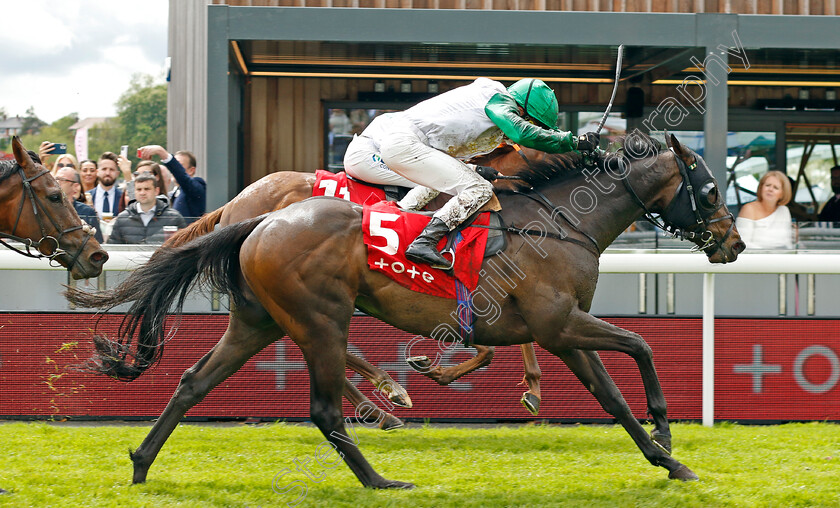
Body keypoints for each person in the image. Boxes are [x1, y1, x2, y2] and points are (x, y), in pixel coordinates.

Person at [342, 77, 599, 267]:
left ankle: (403, 215)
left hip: (403, 143)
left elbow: (533, 135)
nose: (531, 126)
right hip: (401, 144)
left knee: (446, 183)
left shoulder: (489, 101)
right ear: (522, 110)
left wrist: (582, 148)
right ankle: (425, 242)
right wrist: (574, 142)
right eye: (532, 121)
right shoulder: (498, 99)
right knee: (479, 189)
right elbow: (522, 132)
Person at [107, 173, 186, 244]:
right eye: (139, 189)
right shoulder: (122, 218)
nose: (142, 193)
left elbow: (185, 247)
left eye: (147, 189)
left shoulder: (174, 218)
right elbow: (114, 248)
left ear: (156, 191)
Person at [138, 145, 206, 222]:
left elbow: (184, 179)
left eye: (178, 165)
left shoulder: (197, 185)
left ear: (191, 170)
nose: (173, 169)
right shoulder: (172, 194)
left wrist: (162, 153)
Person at [735, 170, 794, 249]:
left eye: (775, 187)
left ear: (782, 194)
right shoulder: (749, 209)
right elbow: (741, 244)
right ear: (761, 187)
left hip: (781, 258)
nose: (770, 189)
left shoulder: (784, 210)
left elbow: (787, 242)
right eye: (767, 185)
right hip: (754, 258)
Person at [54, 166, 103, 243]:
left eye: (62, 180)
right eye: (55, 179)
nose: (56, 183)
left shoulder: (87, 212)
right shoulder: (46, 209)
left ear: (75, 186)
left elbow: (97, 242)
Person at [87, 152, 123, 218]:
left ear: (117, 173)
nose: (107, 173)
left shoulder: (123, 197)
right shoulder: (86, 196)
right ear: (97, 172)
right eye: (104, 169)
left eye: (111, 169)